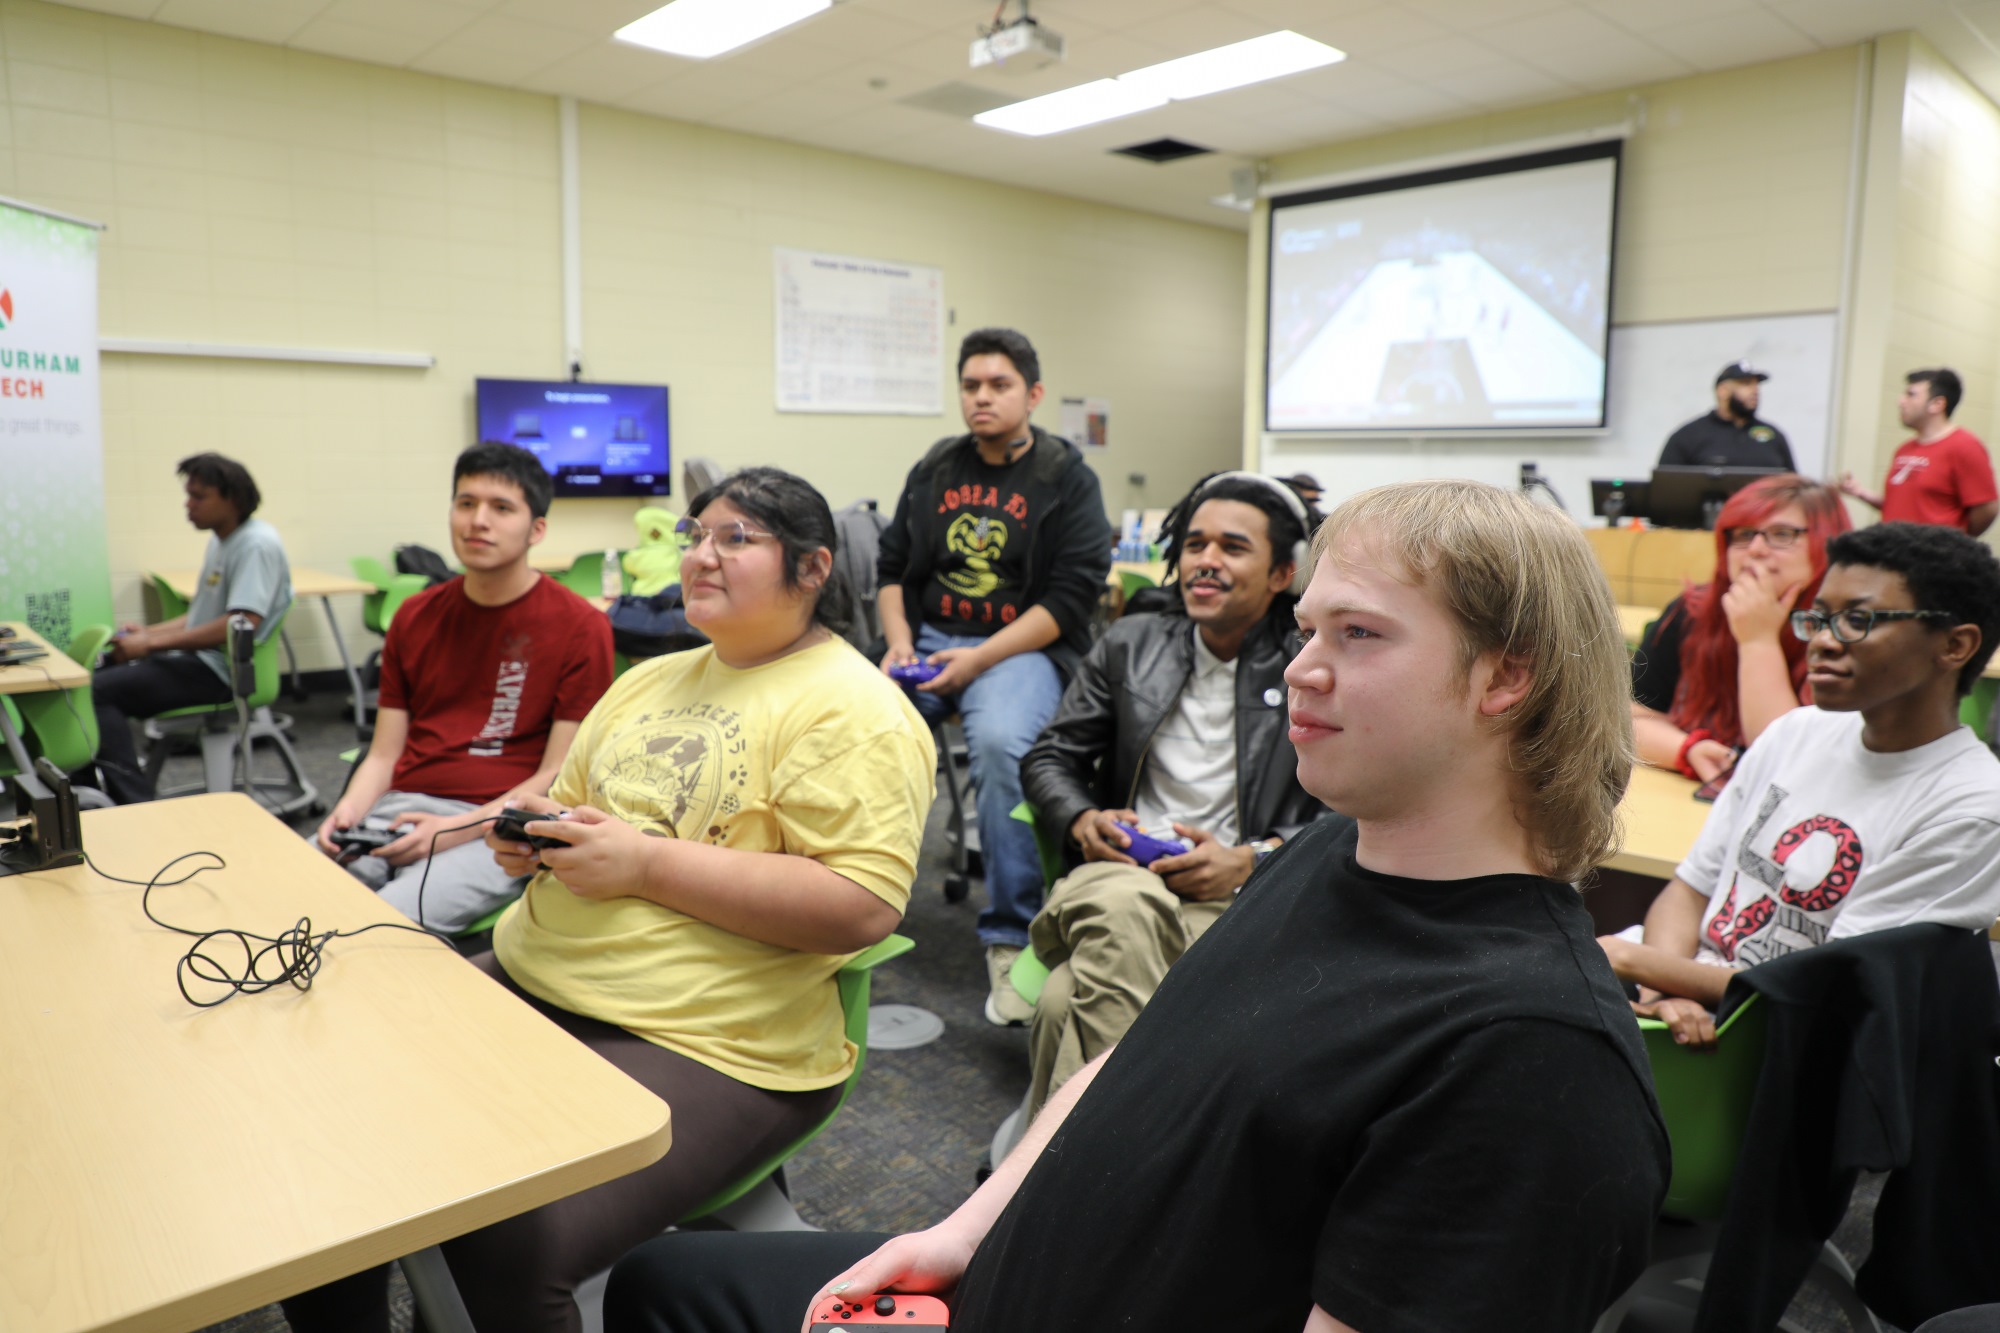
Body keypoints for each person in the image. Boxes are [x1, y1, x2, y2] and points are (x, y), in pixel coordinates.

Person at [603, 479, 1670, 1333]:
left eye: (1357, 636)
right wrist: (966, 1230)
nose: (1299, 671)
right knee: (663, 1282)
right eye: (1306, 631)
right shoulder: (1339, 851)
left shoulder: (1531, 1062)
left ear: (1504, 679)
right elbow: (1142, 1053)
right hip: (998, 1267)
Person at [279, 468, 935, 1333]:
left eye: (736, 539)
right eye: (697, 534)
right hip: (541, 975)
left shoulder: (855, 710)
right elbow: (574, 809)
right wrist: (531, 842)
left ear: (812, 570)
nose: (701, 555)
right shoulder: (651, 680)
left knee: (507, 1230)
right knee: (325, 1114)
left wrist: (644, 865)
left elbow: (857, 906)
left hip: (707, 1034)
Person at [1601, 521, 2000, 1049]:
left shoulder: (1972, 805)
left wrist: (1630, 959)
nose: (1823, 643)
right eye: (1818, 618)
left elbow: (1827, 988)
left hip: (1790, 1046)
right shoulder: (1796, 731)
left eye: (1857, 620)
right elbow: (1690, 889)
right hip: (1685, 1011)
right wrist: (1664, 992)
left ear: (1955, 645)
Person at [1016, 470, 1333, 1113]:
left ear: (1281, 574)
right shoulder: (1130, 645)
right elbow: (1052, 756)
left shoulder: (1311, 665)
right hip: (1120, 872)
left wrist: (1254, 859)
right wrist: (1081, 820)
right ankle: (1133, 1144)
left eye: (1232, 548)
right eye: (1194, 544)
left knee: (1059, 1001)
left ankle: (1051, 1172)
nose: (1205, 562)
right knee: (1127, 902)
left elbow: (1353, 810)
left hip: (1236, 897)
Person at [876, 327, 1113, 1025]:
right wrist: (895, 646)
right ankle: (835, 903)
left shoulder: (1067, 477)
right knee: (849, 730)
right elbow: (892, 569)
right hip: (925, 643)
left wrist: (977, 660)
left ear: (1032, 395)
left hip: (1018, 649)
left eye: (998, 384)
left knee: (1005, 745)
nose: (981, 397)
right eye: (971, 384)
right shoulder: (936, 466)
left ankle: (1012, 935)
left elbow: (1070, 599)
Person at [311, 443, 614, 933]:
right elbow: (385, 754)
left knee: (373, 929)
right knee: (288, 893)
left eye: (501, 508)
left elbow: (558, 771)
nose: (478, 521)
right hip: (400, 809)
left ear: (536, 529)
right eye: (466, 503)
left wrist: (452, 831)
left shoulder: (580, 625)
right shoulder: (415, 615)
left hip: (495, 828)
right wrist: (349, 811)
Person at [87, 453, 291, 804]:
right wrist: (147, 636)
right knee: (92, 674)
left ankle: (134, 806)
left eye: (198, 496)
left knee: (97, 692)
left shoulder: (256, 545)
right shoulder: (223, 540)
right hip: (201, 663)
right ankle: (88, 794)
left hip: (225, 675)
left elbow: (239, 624)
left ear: (233, 499)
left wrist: (150, 646)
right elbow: (200, 615)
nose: (188, 504)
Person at [1631, 474, 1851, 783]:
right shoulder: (1691, 612)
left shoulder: (1849, 631)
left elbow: (1786, 763)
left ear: (1825, 542)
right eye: (1744, 535)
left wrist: (1758, 640)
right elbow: (1628, 719)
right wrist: (1687, 750)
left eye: (1782, 534)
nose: (1756, 550)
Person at [1840, 368, 1998, 536]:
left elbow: (1987, 509)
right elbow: (1905, 506)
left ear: (1937, 404)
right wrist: (1861, 492)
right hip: (1893, 553)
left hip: (1935, 558)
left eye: (1911, 395)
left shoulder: (1965, 446)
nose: (1900, 401)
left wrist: (1957, 542)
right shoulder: (1904, 449)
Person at [1658, 361, 1795, 469]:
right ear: (1722, 391)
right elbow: (1665, 489)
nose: (1755, 391)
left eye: (1756, 385)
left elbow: (1793, 488)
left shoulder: (1773, 436)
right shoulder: (1688, 436)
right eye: (1746, 384)